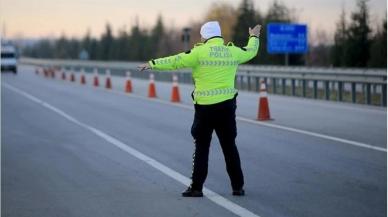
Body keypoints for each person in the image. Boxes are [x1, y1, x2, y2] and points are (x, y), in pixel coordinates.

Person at [138, 21, 261, 197]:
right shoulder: (232, 51)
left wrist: (152, 63)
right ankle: (237, 187)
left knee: (202, 147)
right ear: (218, 35)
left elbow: (176, 61)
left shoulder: (198, 52)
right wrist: (254, 36)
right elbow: (251, 51)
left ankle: (196, 188)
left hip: (205, 109)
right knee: (229, 147)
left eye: (202, 35)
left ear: (205, 36)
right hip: (226, 107)